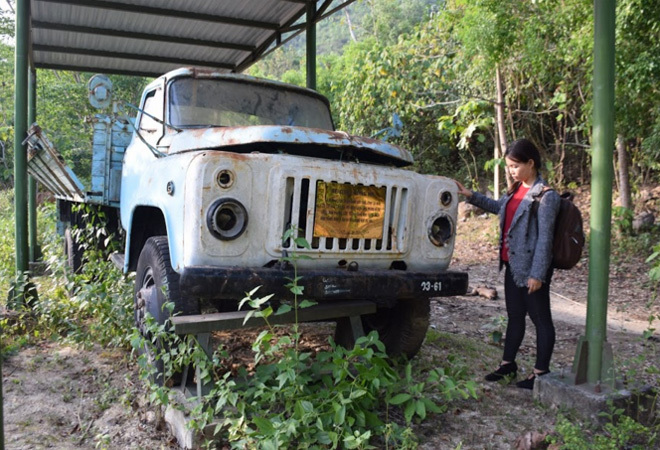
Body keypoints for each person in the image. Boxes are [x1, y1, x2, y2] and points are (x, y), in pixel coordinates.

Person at [455, 138, 560, 389]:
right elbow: (498, 207)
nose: (511, 171)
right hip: (512, 266)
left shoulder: (546, 197)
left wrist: (538, 274)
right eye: (509, 166)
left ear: (531, 163)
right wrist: (470, 195)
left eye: (515, 166)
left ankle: (540, 373)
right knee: (515, 317)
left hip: (532, 271)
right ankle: (507, 365)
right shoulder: (515, 190)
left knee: (541, 320)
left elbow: (545, 239)